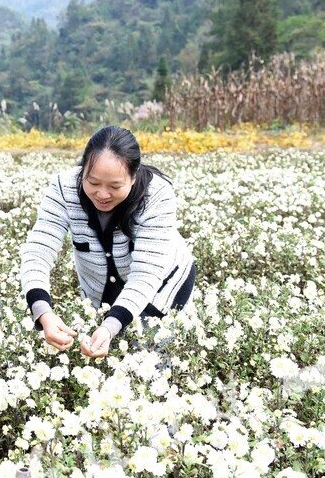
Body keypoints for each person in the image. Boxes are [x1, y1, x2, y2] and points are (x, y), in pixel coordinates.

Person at [20, 125, 195, 358]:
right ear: (82, 171)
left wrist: (110, 326)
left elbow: (146, 275)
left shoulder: (157, 196)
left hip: (161, 288)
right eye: (92, 183)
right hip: (100, 290)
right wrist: (43, 313)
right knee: (105, 355)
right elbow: (38, 250)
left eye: (115, 186)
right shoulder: (64, 188)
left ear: (133, 177)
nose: (102, 194)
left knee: (152, 358)